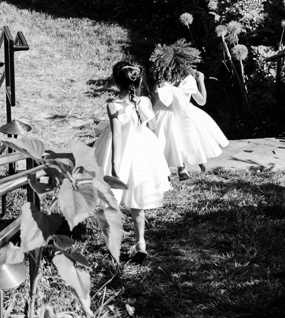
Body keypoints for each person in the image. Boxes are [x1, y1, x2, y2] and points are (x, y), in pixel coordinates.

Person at [93, 60, 170, 263]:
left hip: (119, 152)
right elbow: (152, 124)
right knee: (138, 202)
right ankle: (141, 243)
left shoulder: (113, 106)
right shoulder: (143, 101)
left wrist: (115, 165)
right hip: (142, 149)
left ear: (116, 83)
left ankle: (113, 245)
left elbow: (117, 136)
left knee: (109, 202)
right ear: (139, 81)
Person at [149, 41, 228, 181]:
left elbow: (153, 105)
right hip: (187, 113)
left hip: (164, 115)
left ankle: (167, 171)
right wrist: (201, 81)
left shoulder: (160, 83)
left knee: (166, 141)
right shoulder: (189, 81)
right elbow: (202, 101)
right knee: (185, 137)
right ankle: (182, 168)